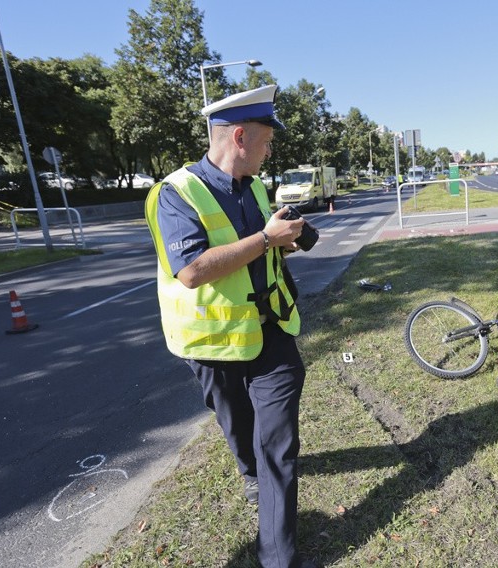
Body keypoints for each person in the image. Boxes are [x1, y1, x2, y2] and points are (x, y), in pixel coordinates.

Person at [145, 84, 314, 568]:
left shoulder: (257, 187)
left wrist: (285, 241)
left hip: (272, 333)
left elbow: (257, 250)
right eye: (267, 141)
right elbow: (193, 270)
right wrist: (265, 238)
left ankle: (278, 558)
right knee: (242, 434)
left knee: (278, 447)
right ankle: (249, 473)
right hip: (213, 345)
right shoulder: (174, 194)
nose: (270, 149)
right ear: (240, 136)